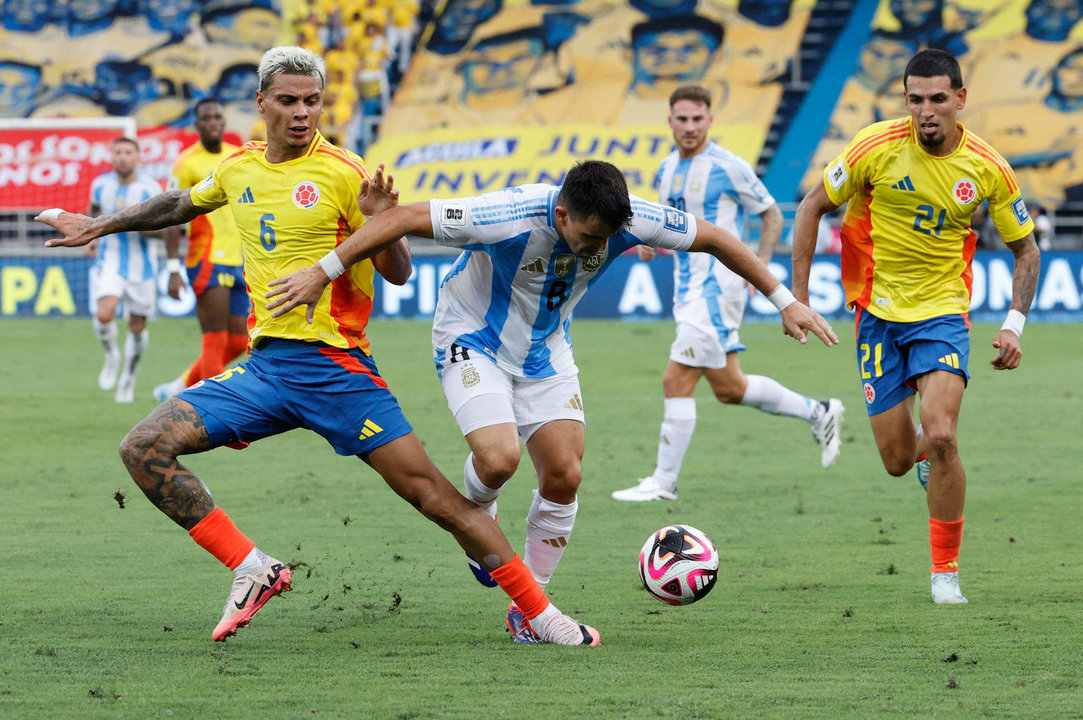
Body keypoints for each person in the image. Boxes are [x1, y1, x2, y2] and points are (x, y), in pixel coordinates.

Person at [37, 46, 599, 648]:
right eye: (288, 101)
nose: (302, 113)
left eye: (312, 101)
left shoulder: (345, 172)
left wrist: (382, 218)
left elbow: (399, 271)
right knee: (144, 448)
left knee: (434, 497)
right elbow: (180, 203)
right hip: (265, 370)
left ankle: (539, 614)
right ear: (261, 103)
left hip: (338, 372)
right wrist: (99, 224)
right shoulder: (239, 168)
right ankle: (252, 568)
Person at [263, 159, 839, 642]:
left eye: (605, 240)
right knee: (499, 460)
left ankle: (528, 611)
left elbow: (715, 238)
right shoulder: (509, 211)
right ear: (561, 214)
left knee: (564, 474)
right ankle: (479, 511)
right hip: (473, 335)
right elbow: (409, 218)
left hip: (546, 348)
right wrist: (325, 269)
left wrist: (784, 299)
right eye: (588, 238)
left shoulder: (631, 219)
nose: (598, 247)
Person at [791, 49, 1041, 605]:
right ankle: (928, 465)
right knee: (900, 461)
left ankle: (945, 574)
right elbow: (810, 208)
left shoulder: (986, 167)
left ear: (959, 99)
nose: (926, 111)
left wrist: (1014, 324)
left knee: (943, 433)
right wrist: (798, 300)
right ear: (905, 100)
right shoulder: (873, 148)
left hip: (944, 313)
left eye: (937, 99)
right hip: (877, 316)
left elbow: (1027, 250)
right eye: (915, 100)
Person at [613, 85, 844, 504]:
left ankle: (663, 482)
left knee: (676, 379)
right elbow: (671, 224)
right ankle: (819, 411)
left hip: (716, 288)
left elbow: (771, 213)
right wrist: (649, 242)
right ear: (670, 121)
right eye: (681, 119)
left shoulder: (727, 165)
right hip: (687, 289)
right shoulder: (666, 169)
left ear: (709, 120)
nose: (689, 126)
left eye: (697, 119)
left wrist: (756, 268)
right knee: (729, 388)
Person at [153, 98, 250, 403]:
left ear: (224, 122)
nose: (212, 122)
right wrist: (172, 268)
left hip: (239, 260)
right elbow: (171, 217)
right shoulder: (186, 163)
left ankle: (178, 387)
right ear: (197, 126)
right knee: (215, 338)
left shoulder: (237, 158)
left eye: (217, 117)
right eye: (205, 118)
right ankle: (214, 409)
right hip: (206, 258)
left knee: (239, 340)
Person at [86, 137, 165, 403]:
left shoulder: (150, 189)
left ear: (137, 156)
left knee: (137, 326)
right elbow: (93, 212)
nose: (122, 157)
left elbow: (162, 231)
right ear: (112, 156)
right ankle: (111, 356)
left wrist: (129, 220)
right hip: (110, 260)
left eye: (128, 152)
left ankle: (129, 375)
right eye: (118, 152)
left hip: (142, 266)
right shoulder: (100, 185)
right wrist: (92, 238)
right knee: (104, 314)